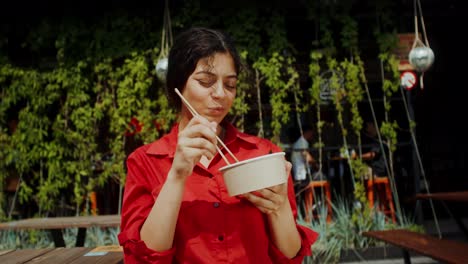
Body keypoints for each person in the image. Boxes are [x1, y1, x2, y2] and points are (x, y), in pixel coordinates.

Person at [118, 27, 318, 263]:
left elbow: (290, 254)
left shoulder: (262, 153)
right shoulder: (146, 161)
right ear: (178, 85)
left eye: (230, 85)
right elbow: (145, 257)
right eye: (205, 82)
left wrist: (279, 206)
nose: (221, 94)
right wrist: (177, 175)